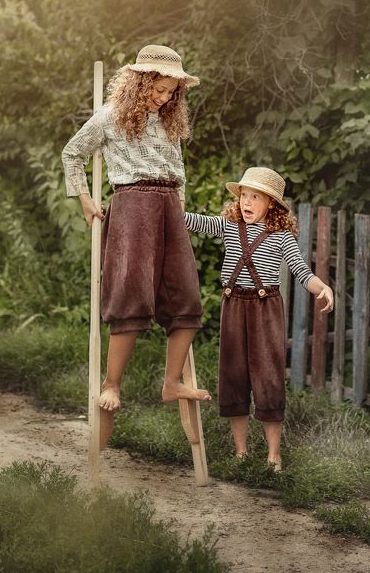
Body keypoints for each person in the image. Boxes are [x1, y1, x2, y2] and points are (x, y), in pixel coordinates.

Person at [62, 44, 210, 449]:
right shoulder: (110, 117)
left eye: (171, 93)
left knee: (187, 297)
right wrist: (85, 200)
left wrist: (179, 209)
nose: (163, 98)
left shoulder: (168, 122)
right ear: (141, 83)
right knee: (130, 293)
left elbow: (178, 171)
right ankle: (112, 384)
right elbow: (72, 153)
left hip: (169, 208)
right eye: (158, 90)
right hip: (132, 206)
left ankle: (172, 382)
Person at [185, 167, 333, 470]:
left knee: (268, 377)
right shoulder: (229, 225)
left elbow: (301, 271)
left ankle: (273, 455)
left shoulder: (282, 236)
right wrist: (170, 208)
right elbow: (196, 222)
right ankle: (241, 452)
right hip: (233, 305)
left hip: (265, 310)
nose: (247, 202)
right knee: (233, 374)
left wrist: (324, 288)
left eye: (255, 197)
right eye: (244, 196)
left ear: (271, 204)